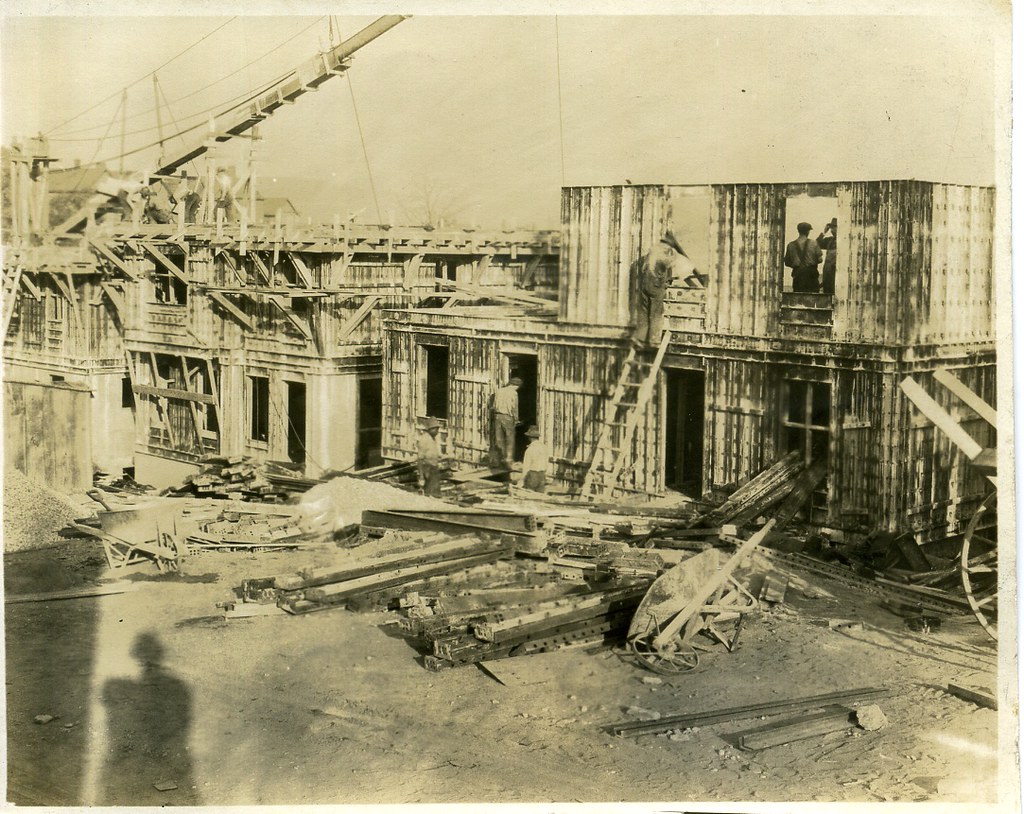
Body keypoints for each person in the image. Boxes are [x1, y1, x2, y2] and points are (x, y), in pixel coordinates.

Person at [634, 231, 685, 347]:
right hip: (655, 285)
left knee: (643, 312)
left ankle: (640, 339)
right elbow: (668, 263)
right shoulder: (664, 252)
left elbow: (644, 266)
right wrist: (675, 256)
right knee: (656, 313)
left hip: (644, 284)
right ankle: (654, 341)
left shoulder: (653, 249)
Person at [784, 222, 823, 292]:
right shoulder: (814, 243)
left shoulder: (791, 245)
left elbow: (787, 262)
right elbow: (820, 260)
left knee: (798, 299)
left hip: (798, 276)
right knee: (813, 299)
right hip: (812, 276)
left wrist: (797, 265)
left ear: (798, 231)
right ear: (808, 231)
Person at [491, 377, 521, 468]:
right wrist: (516, 420)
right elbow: (514, 408)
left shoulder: (499, 391)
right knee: (510, 439)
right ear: (514, 385)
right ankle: (508, 461)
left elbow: (494, 405)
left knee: (499, 439)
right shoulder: (514, 393)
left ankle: (500, 460)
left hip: (497, 416)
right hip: (508, 417)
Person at [416, 417, 444, 497]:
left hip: (434, 468)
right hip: (428, 469)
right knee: (431, 494)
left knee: (435, 493)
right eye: (436, 429)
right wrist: (421, 476)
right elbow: (420, 459)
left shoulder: (433, 438)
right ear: (430, 429)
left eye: (438, 429)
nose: (437, 432)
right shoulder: (424, 440)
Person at [518, 425, 549, 493]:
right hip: (542, 475)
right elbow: (546, 463)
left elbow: (526, 468)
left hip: (533, 476)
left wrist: (521, 481)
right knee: (540, 497)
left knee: (529, 495)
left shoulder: (530, 449)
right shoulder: (544, 447)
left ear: (529, 437)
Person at [816, 218, 838, 295]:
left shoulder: (846, 240)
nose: (832, 230)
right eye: (831, 228)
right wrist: (824, 232)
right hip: (828, 272)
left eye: (834, 227)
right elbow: (817, 244)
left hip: (836, 272)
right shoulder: (830, 240)